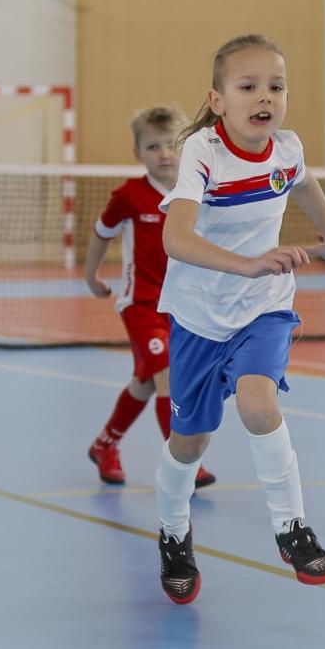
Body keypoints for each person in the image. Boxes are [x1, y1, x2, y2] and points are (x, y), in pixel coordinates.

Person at [152, 34, 325, 603]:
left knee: (260, 403)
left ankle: (292, 528)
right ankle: (172, 532)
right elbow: (175, 237)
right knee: (189, 444)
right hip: (197, 317)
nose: (264, 96)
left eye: (276, 86)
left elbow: (302, 179)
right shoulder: (202, 153)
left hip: (264, 307)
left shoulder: (286, 147)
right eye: (248, 86)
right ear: (218, 100)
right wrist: (247, 263)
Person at [83, 104, 214, 488]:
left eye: (171, 145)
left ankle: (105, 444)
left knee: (145, 382)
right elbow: (101, 233)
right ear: (137, 153)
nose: (164, 154)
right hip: (140, 304)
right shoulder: (129, 195)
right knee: (167, 378)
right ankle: (183, 466)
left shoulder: (196, 192)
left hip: (182, 306)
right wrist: (91, 276)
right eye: (152, 147)